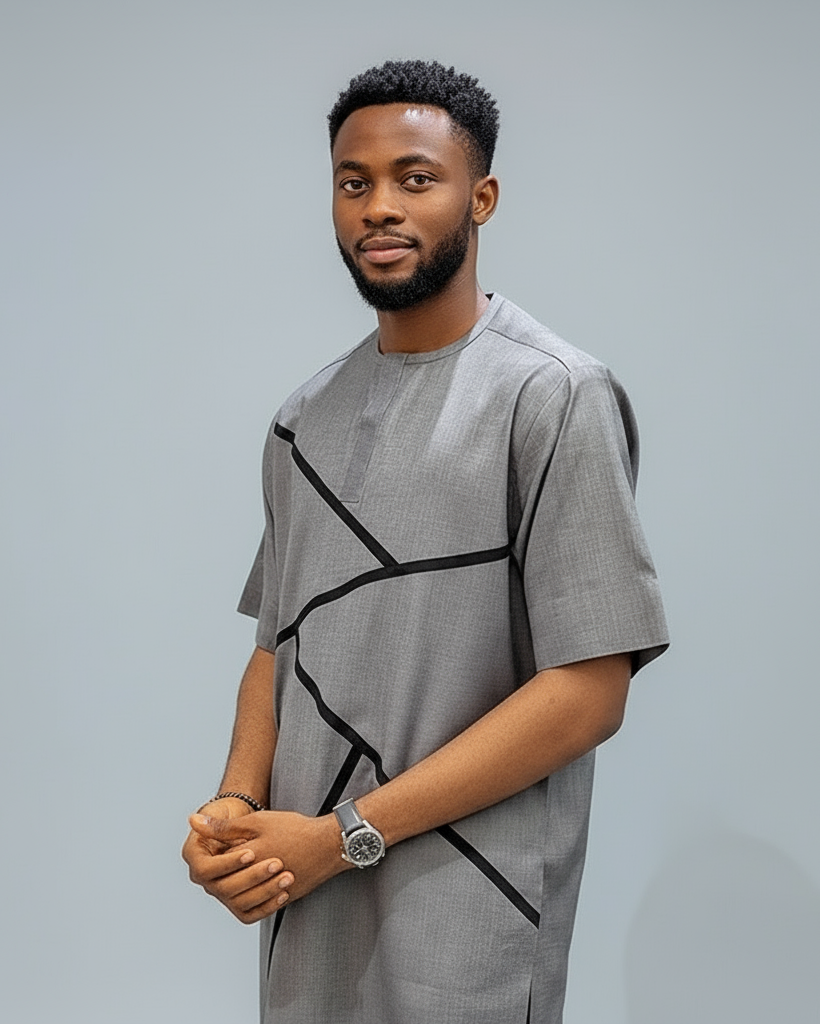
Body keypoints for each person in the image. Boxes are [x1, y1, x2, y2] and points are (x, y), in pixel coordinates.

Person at [182, 59, 669, 1024]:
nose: (379, 207)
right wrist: (236, 806)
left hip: (471, 904)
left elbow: (589, 690)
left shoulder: (553, 394)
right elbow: (277, 647)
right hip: (308, 900)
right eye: (353, 181)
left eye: (416, 178)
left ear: (480, 197)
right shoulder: (302, 421)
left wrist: (346, 835)